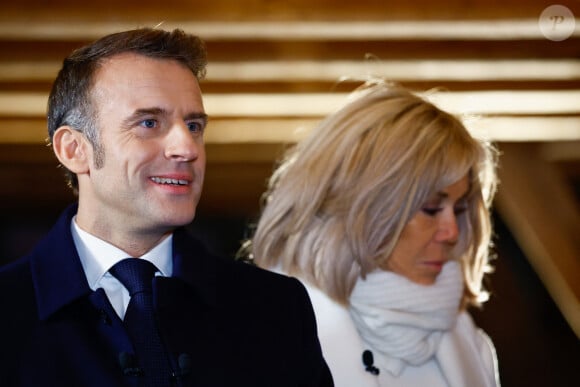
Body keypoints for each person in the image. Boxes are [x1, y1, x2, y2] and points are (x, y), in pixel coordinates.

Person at [0, 28, 333, 387]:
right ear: (74, 150)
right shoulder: (8, 311)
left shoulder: (275, 308)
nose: (186, 147)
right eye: (149, 123)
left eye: (193, 126)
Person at [248, 82, 501, 387]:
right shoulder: (264, 337)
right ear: (361, 207)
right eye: (432, 208)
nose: (452, 232)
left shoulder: (473, 345)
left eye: (459, 209)